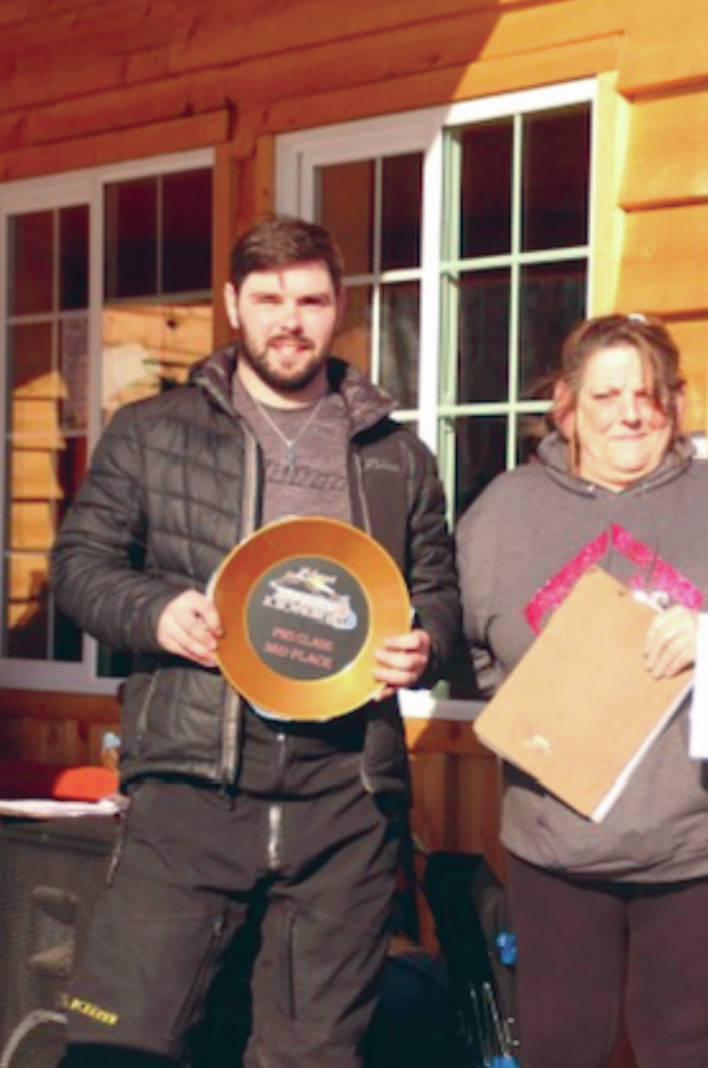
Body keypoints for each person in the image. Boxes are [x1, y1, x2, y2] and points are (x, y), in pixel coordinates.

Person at [50, 215, 460, 1068]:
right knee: (120, 1044)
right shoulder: (153, 431)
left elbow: (437, 596)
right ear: (233, 304)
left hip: (345, 794)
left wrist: (424, 645)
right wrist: (154, 610)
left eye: (310, 300)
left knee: (311, 1054)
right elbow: (80, 566)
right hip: (194, 786)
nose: (290, 319)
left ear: (338, 308)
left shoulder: (397, 459)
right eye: (269, 298)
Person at [455, 313, 708, 1068]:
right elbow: (469, 650)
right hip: (555, 840)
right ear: (565, 406)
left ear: (675, 404)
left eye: (648, 395)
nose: (629, 412)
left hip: (700, 841)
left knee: (682, 1049)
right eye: (606, 395)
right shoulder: (504, 508)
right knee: (561, 1052)